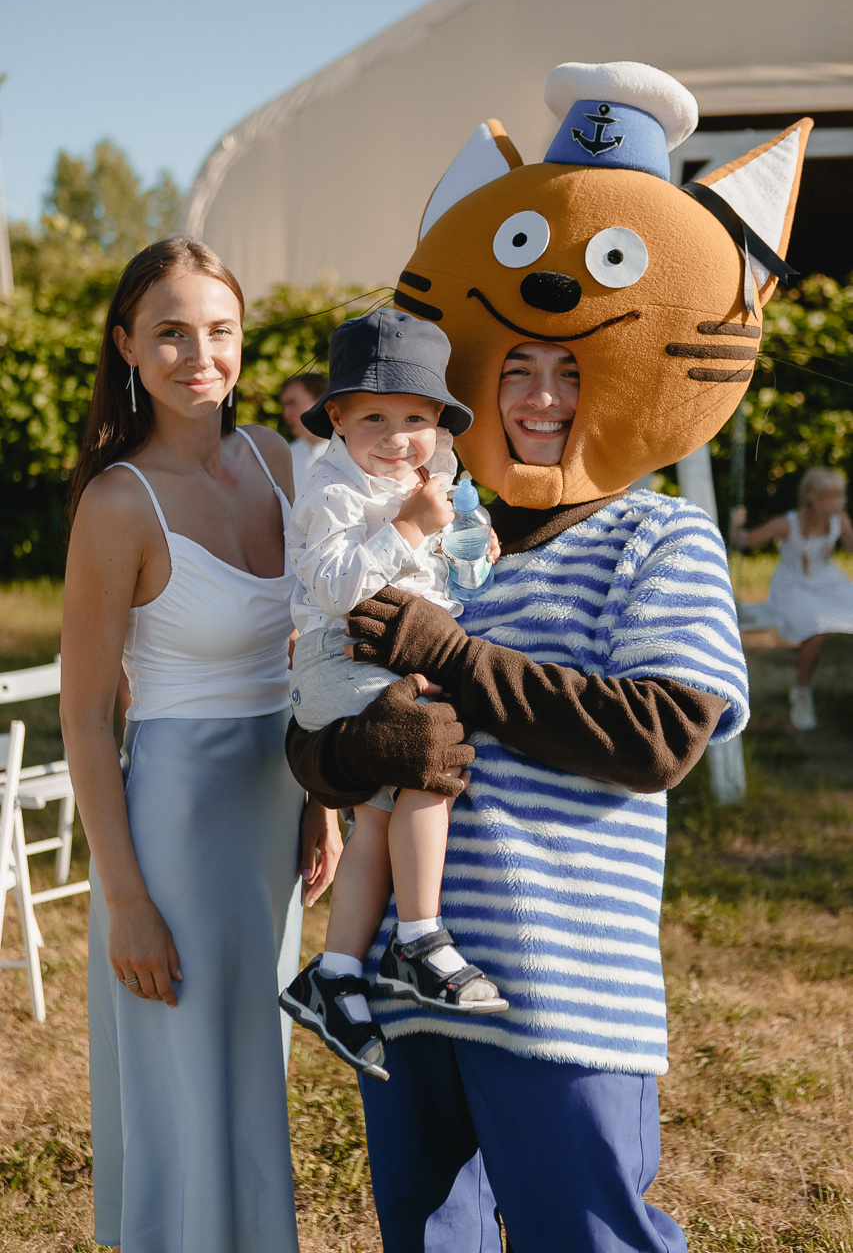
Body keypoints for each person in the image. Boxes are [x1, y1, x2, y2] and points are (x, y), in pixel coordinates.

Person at [286, 338, 749, 1253]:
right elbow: (315, 725)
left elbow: (659, 736)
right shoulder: (423, 522)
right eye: (517, 371)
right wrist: (352, 752)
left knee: (586, 1238)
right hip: (405, 984)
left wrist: (454, 657)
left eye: (572, 370)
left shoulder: (658, 532)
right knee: (428, 1239)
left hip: (562, 984)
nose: (544, 398)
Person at [60, 237, 341, 1253]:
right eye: (170, 332)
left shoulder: (276, 457)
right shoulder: (117, 501)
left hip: (274, 807)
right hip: (176, 827)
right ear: (128, 345)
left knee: (249, 1062)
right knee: (192, 1078)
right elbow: (88, 715)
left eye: (218, 329)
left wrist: (322, 797)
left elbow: (312, 644)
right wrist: (125, 898)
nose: (197, 353)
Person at [280, 309, 505, 1083]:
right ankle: (418, 934)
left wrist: (467, 544)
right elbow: (335, 586)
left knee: (378, 811)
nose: (394, 436)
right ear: (335, 418)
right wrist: (408, 527)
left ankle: (335, 973)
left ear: (438, 420)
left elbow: (459, 577)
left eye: (413, 417)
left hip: (388, 655)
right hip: (337, 658)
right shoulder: (331, 489)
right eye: (371, 416)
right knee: (425, 752)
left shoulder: (434, 477)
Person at [731, 467, 853, 730]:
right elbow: (745, 540)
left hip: (828, 583)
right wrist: (736, 524)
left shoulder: (839, 520)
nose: (842, 502)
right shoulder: (787, 524)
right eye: (836, 497)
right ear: (815, 499)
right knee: (817, 626)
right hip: (793, 588)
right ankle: (802, 692)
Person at [279, 372, 330, 489]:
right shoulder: (287, 456)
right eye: (284, 406)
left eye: (292, 404)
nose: (286, 414)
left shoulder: (353, 454)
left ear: (320, 402)